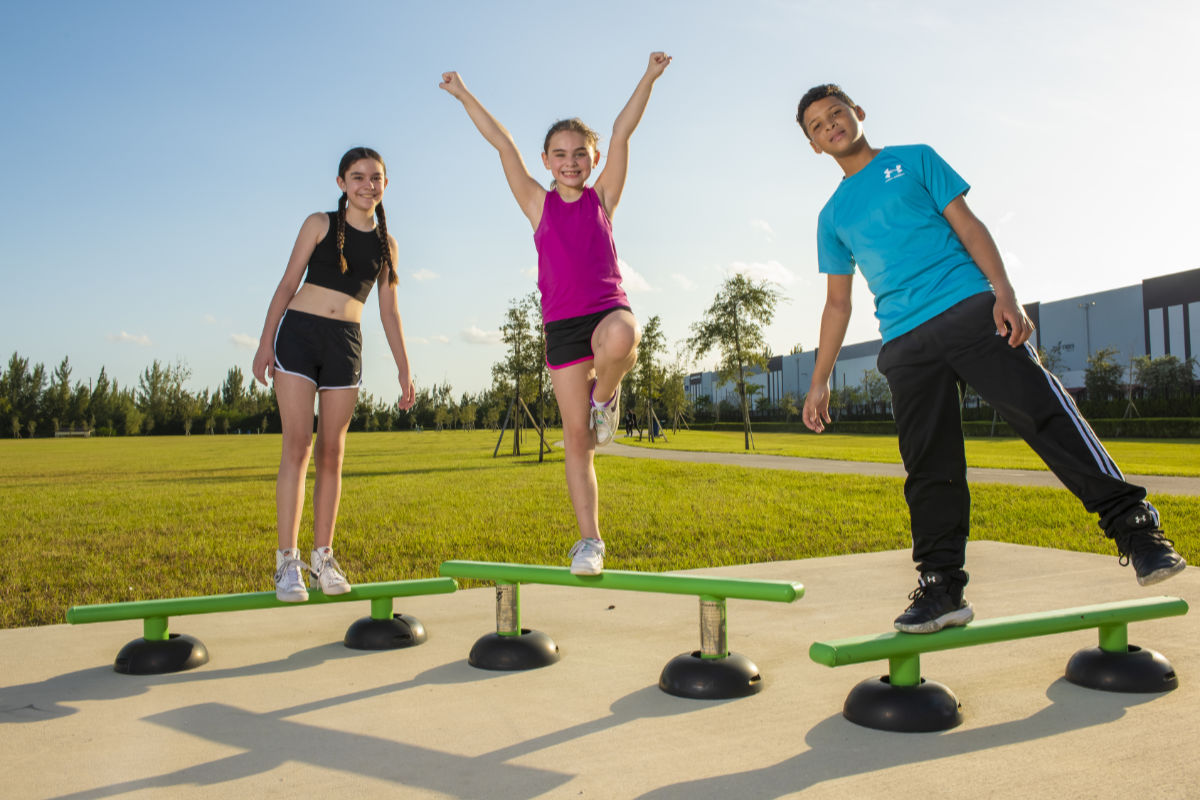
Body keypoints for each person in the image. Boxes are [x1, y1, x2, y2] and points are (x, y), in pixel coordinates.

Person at [797, 85, 1185, 633]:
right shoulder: (832, 216)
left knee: (1043, 413)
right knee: (929, 467)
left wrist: (1004, 290)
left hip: (968, 309)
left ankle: (1136, 529)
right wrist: (819, 381)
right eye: (817, 125)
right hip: (905, 343)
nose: (830, 125)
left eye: (836, 113)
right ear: (814, 145)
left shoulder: (914, 160)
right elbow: (838, 303)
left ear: (858, 113)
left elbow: (968, 225)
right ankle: (941, 587)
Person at [439, 53, 671, 574]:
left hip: (607, 310)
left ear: (593, 159)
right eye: (560, 154)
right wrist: (463, 93)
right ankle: (590, 541)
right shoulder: (537, 203)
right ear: (545, 161)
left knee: (622, 338)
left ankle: (604, 398)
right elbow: (503, 143)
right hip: (562, 327)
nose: (571, 162)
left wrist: (649, 76)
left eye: (580, 154)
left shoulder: (602, 198)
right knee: (577, 440)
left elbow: (622, 132)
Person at [253, 147, 416, 602]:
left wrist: (404, 369)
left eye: (376, 178)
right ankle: (287, 562)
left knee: (332, 453)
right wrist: (265, 343)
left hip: (345, 344)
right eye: (357, 177)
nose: (368, 185)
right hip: (299, 336)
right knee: (298, 446)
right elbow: (287, 284)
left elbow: (389, 311)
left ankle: (323, 558)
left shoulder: (387, 245)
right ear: (342, 183)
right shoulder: (319, 224)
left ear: (385, 185)